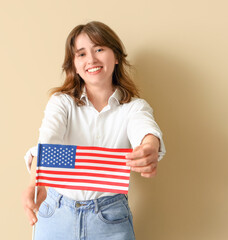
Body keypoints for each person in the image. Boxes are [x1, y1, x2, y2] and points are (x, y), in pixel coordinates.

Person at [22, 21, 166, 240]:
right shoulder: (62, 103)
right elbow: (48, 143)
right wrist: (36, 183)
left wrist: (149, 148)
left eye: (99, 49)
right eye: (81, 54)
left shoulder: (134, 107)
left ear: (116, 56)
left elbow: (146, 131)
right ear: (74, 65)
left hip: (110, 217)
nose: (91, 59)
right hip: (56, 213)